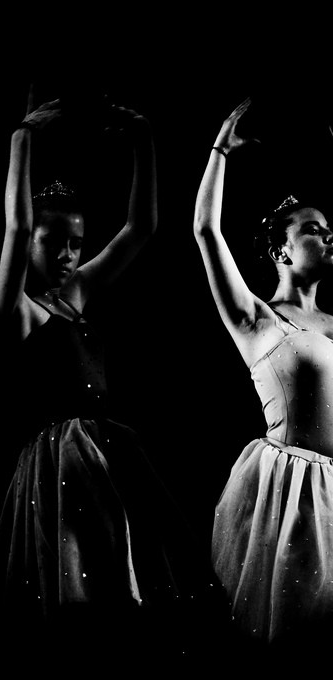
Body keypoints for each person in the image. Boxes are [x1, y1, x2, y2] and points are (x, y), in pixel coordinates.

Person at [0, 93, 217, 671]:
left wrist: (142, 137)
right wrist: (22, 136)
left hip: (109, 454)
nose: (65, 252)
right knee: (71, 590)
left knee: (122, 581)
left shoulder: (75, 294)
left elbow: (142, 227)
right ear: (30, 240)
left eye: (75, 243)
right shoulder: (19, 306)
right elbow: (15, 222)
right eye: (52, 240)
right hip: (57, 461)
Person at [193, 97, 333, 657]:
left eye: (330, 229)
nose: (328, 236)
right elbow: (206, 231)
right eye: (315, 229)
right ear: (280, 247)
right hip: (295, 490)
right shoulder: (258, 319)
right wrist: (221, 150)